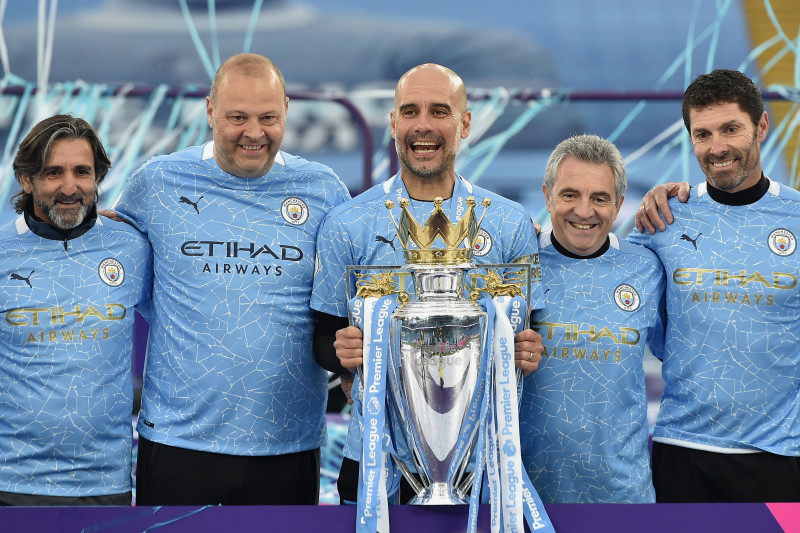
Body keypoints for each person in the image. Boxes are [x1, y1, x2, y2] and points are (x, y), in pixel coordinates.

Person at [110, 53, 351, 505]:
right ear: (209, 111)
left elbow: (347, 296)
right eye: (237, 118)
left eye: (268, 118)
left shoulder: (323, 190)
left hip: (288, 444)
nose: (254, 133)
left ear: (286, 113)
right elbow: (111, 269)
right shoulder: (157, 183)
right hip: (178, 442)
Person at [310, 63, 544, 504]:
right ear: (393, 121)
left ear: (465, 123)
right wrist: (341, 355)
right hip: (376, 457)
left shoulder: (510, 223)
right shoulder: (347, 223)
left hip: (484, 460)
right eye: (410, 111)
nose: (423, 126)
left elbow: (531, 331)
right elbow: (322, 336)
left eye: (440, 111)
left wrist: (529, 350)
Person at [629, 69, 800, 502]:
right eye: (702, 134)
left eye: (730, 129)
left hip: (781, 454)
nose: (717, 148)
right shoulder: (664, 219)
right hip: (683, 449)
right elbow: (601, 279)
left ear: (761, 126)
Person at [0, 114, 152, 505]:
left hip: (106, 484)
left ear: (97, 177)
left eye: (82, 172)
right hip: (12, 482)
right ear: (26, 179)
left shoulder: (132, 247)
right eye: (53, 173)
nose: (70, 188)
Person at [518, 134, 665, 503]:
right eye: (570, 195)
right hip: (525, 497)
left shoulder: (648, 269)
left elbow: (683, 357)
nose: (584, 211)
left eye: (600, 198)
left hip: (623, 497)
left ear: (617, 207)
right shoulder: (515, 265)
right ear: (547, 195)